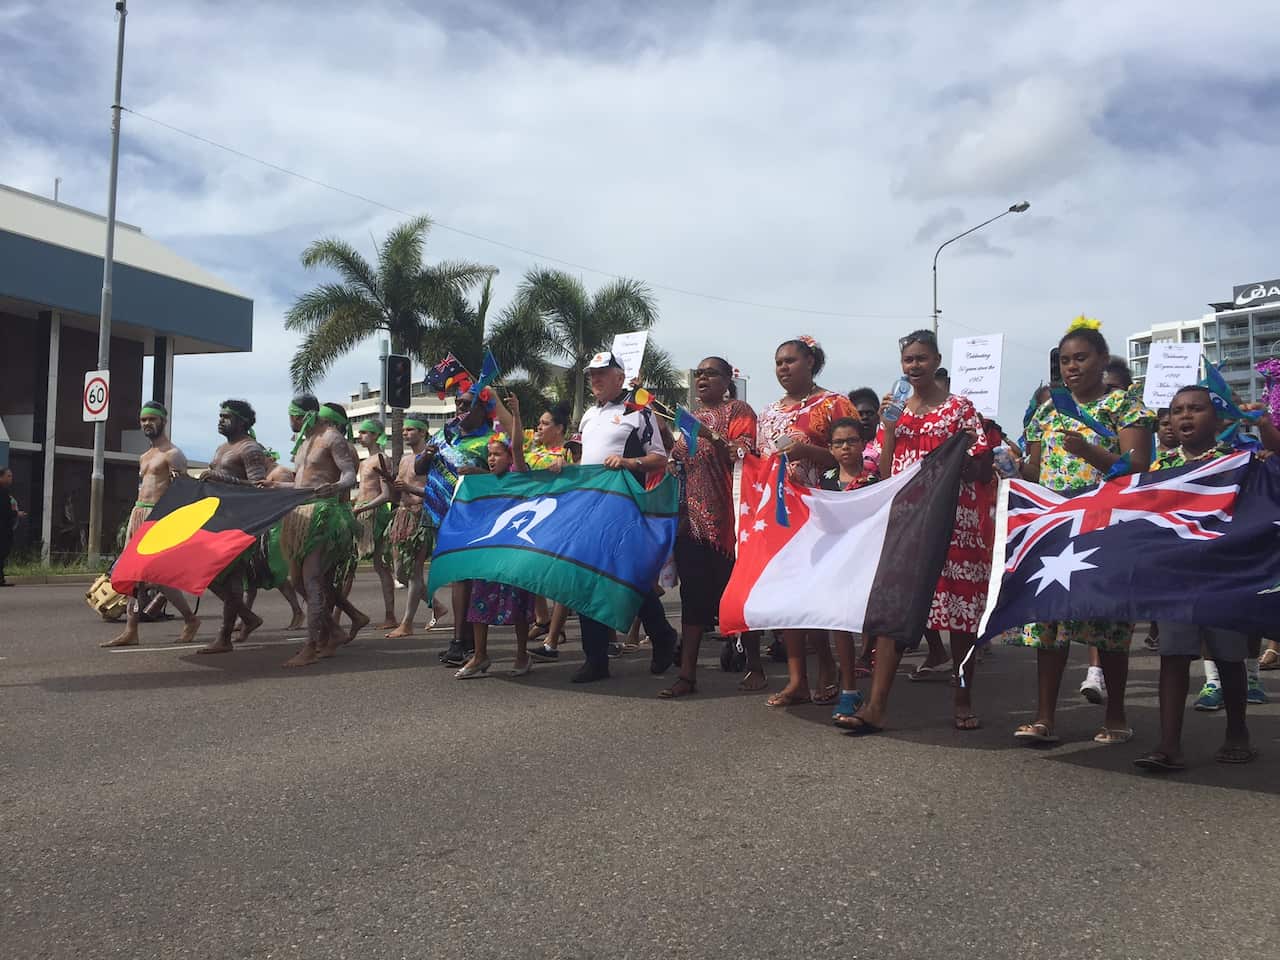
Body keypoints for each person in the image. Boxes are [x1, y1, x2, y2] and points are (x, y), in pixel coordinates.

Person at [1010, 318, 1154, 746]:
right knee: (1050, 618)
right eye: (1065, 360)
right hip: (1056, 524)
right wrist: (1014, 468)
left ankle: (1115, 717)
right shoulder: (1048, 411)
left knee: (1107, 622)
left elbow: (1139, 465)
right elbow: (1035, 469)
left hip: (1106, 524)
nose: (1072, 367)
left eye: (1081, 358)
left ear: (1102, 360)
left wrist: (1089, 449)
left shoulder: (1124, 406)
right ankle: (1044, 718)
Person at [846, 330, 993, 734]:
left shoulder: (960, 409)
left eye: (921, 359)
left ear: (937, 360)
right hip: (909, 520)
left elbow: (982, 466)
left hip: (955, 520)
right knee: (894, 608)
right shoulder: (895, 412)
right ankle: (876, 705)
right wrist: (890, 427)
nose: (914, 366)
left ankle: (962, 698)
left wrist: (964, 460)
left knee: (959, 618)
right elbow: (886, 468)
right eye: (908, 360)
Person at [1135, 385, 1266, 770]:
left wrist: (1266, 426)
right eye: (1177, 410)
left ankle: (1238, 732)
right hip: (1175, 577)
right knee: (1173, 657)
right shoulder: (1161, 468)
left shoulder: (1240, 459)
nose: (1186, 416)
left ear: (1219, 418)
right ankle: (1168, 745)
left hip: (1224, 575)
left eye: (1196, 409)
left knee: (1228, 656)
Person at [757, 336, 854, 707]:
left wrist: (807, 450)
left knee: (821, 594)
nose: (782, 368)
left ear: (810, 362)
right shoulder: (767, 413)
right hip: (778, 515)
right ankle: (797, 680)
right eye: (778, 362)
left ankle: (828, 665)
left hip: (823, 512)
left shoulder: (833, 404)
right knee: (788, 595)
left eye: (790, 361)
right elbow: (759, 461)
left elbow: (851, 455)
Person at [570, 350, 678, 683]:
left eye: (603, 374)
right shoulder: (588, 415)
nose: (596, 380)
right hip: (589, 506)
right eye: (592, 375)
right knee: (588, 578)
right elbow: (583, 461)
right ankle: (596, 657)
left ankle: (662, 636)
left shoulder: (638, 412)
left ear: (620, 377)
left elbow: (660, 458)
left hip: (624, 506)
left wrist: (628, 463)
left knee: (628, 577)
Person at [658, 356, 757, 699]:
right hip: (691, 524)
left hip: (728, 524)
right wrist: (673, 461)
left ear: (728, 379)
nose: (702, 379)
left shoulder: (738, 410)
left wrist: (713, 437)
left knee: (738, 597)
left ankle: (755, 666)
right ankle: (687, 674)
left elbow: (742, 454)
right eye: (698, 374)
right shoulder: (690, 419)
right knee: (693, 598)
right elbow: (679, 457)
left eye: (710, 373)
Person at [262, 399, 361, 667]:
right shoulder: (303, 443)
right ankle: (335, 630)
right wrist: (275, 487)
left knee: (313, 580)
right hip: (299, 514)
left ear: (306, 415)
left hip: (322, 515)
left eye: (293, 416)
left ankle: (312, 645)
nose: (290, 421)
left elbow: (350, 475)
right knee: (297, 582)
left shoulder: (332, 438)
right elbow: (300, 484)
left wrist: (336, 486)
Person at [101, 402, 202, 647]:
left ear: (163, 422)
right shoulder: (144, 456)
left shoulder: (173, 454)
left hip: (159, 519)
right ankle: (131, 629)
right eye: (143, 420)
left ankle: (190, 618)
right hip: (138, 516)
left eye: (152, 419)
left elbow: (183, 490)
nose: (147, 423)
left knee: (158, 578)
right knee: (132, 576)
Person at [456, 396, 538, 679]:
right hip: (489, 552)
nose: (492, 459)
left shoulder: (520, 475)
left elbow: (517, 447)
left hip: (515, 551)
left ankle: (521, 655)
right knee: (479, 603)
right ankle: (480, 656)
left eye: (497, 454)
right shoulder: (485, 481)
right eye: (489, 454)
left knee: (519, 607)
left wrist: (515, 413)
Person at [816, 417, 880, 727]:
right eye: (839, 443)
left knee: (874, 623)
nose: (845, 447)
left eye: (851, 441)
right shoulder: (825, 480)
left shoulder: (876, 478)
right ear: (830, 448)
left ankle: (878, 692)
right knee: (839, 623)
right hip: (838, 561)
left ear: (863, 443)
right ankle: (849, 688)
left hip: (869, 559)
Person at [195, 399, 271, 655]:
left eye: (226, 417)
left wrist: (219, 477)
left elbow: (260, 486)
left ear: (242, 422)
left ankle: (225, 637)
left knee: (231, 579)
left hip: (239, 522)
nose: (220, 420)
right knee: (207, 574)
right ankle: (247, 617)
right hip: (217, 520)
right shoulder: (220, 449)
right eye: (220, 416)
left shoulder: (250, 449)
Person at [385, 417, 446, 638]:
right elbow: (398, 489)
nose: (405, 433)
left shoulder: (432, 458)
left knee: (414, 572)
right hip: (402, 516)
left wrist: (411, 487)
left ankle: (407, 623)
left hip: (422, 516)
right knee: (401, 573)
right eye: (404, 429)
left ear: (422, 432)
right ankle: (436, 605)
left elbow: (438, 491)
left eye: (410, 429)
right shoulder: (404, 459)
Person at [523, 401, 574, 650]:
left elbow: (584, 474)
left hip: (562, 520)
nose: (539, 428)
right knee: (532, 571)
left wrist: (569, 468)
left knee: (560, 578)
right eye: (538, 423)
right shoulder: (531, 453)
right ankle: (543, 619)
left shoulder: (569, 452)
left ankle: (554, 635)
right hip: (535, 520)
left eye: (545, 423)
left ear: (559, 428)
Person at [239, 447, 305, 634]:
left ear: (267, 457)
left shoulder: (280, 472)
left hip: (277, 526)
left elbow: (288, 499)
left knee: (276, 572)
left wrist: (270, 487)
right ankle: (245, 617)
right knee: (250, 574)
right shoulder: (262, 474)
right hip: (261, 526)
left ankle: (298, 611)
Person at [353, 418, 397, 629]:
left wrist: (364, 507)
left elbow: (386, 495)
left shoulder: (381, 459)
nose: (360, 436)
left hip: (374, 514)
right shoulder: (364, 462)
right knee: (379, 566)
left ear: (375, 435)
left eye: (364, 433)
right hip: (362, 512)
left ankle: (391, 616)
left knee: (382, 566)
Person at [848, 387, 882, 477]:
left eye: (869, 413)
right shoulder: (844, 448)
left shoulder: (887, 446)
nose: (865, 417)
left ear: (879, 417)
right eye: (860, 414)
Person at [0, 466, 21, 586]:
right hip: (2, 529)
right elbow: (4, 511)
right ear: (1, 477)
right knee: (2, 551)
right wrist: (16, 513)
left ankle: (1, 578)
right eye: (8, 476)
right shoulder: (3, 492)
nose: (11, 478)